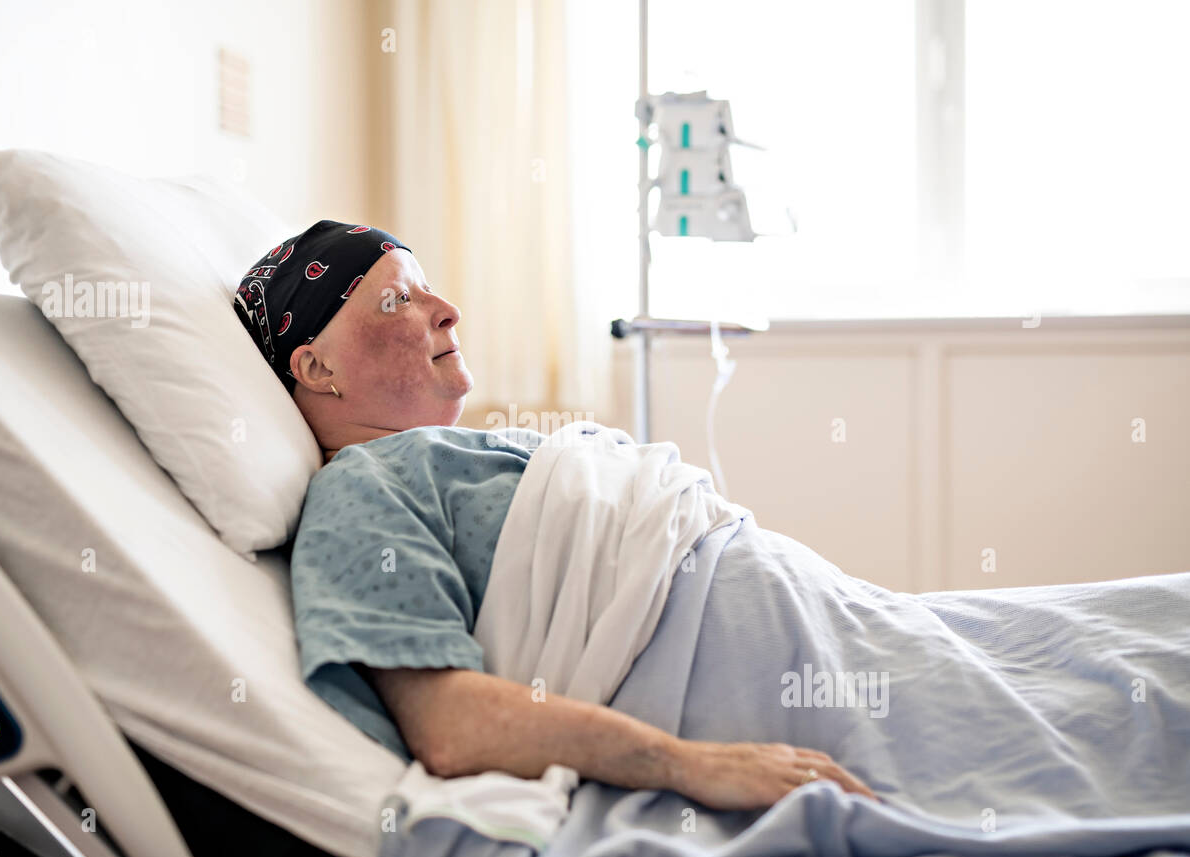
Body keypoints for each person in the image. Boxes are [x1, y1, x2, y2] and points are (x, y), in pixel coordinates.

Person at [232, 220, 878, 811]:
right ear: (317, 367)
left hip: (834, 627)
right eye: (402, 299)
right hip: (797, 685)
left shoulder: (449, 455)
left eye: (430, 290)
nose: (448, 310)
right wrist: (686, 763)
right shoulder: (360, 491)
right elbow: (449, 725)